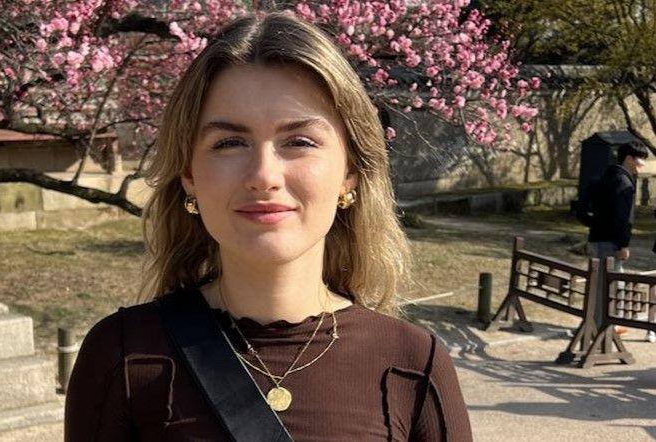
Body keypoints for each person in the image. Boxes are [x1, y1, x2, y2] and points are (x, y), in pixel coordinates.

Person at [65, 11, 472, 441]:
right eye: (229, 142)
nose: (263, 174)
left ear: (349, 172)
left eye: (299, 141)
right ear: (189, 174)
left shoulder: (412, 363)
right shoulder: (124, 356)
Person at [587, 139, 651, 340]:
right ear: (629, 158)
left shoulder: (607, 176)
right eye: (640, 158)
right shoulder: (623, 182)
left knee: (600, 283)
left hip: (597, 236)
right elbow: (622, 217)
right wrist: (623, 244)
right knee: (611, 285)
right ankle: (606, 326)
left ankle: (600, 324)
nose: (642, 163)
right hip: (610, 240)